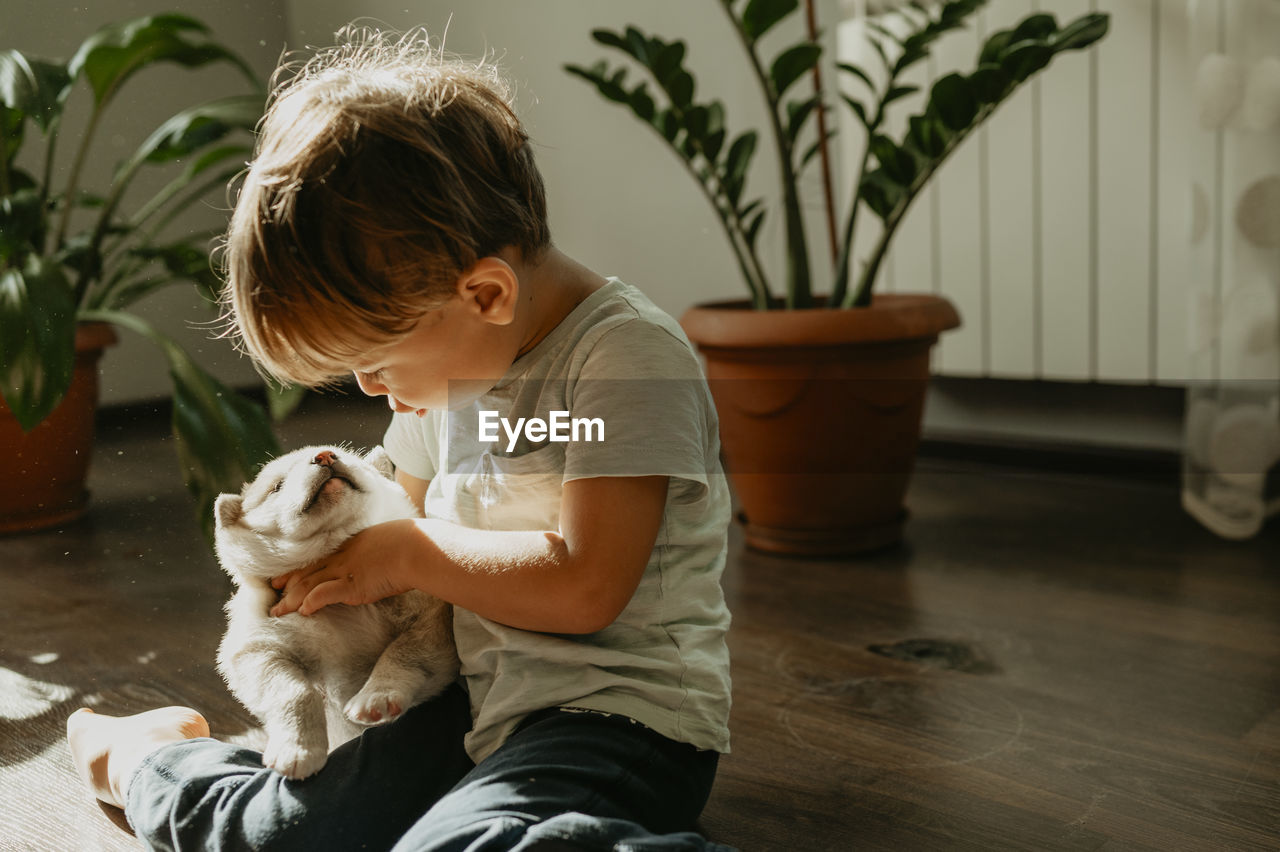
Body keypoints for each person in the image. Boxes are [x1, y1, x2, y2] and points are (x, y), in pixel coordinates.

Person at [65, 26, 735, 852]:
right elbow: (396, 521)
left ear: (485, 293)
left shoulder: (623, 359)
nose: (373, 392)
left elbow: (585, 585)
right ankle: (143, 760)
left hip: (615, 716)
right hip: (475, 698)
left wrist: (407, 552)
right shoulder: (452, 374)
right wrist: (323, 573)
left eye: (375, 365)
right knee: (289, 832)